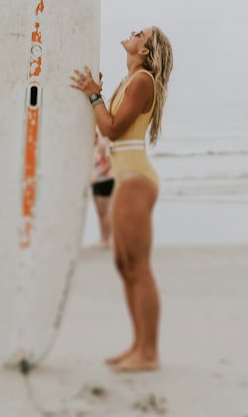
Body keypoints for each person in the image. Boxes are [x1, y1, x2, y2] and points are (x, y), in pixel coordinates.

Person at [71, 26, 174, 373]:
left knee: (139, 267)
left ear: (145, 51)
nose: (133, 32)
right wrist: (98, 95)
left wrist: (92, 96)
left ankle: (149, 353)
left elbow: (111, 129)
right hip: (124, 180)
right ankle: (138, 345)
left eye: (140, 33)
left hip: (135, 180)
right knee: (125, 267)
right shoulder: (128, 81)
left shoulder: (142, 80)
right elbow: (108, 126)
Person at [90, 132, 114, 248]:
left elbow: (109, 164)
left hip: (106, 180)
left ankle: (107, 240)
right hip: (95, 182)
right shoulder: (89, 147)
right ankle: (103, 239)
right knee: (100, 212)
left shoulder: (102, 145)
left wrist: (97, 174)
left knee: (106, 212)